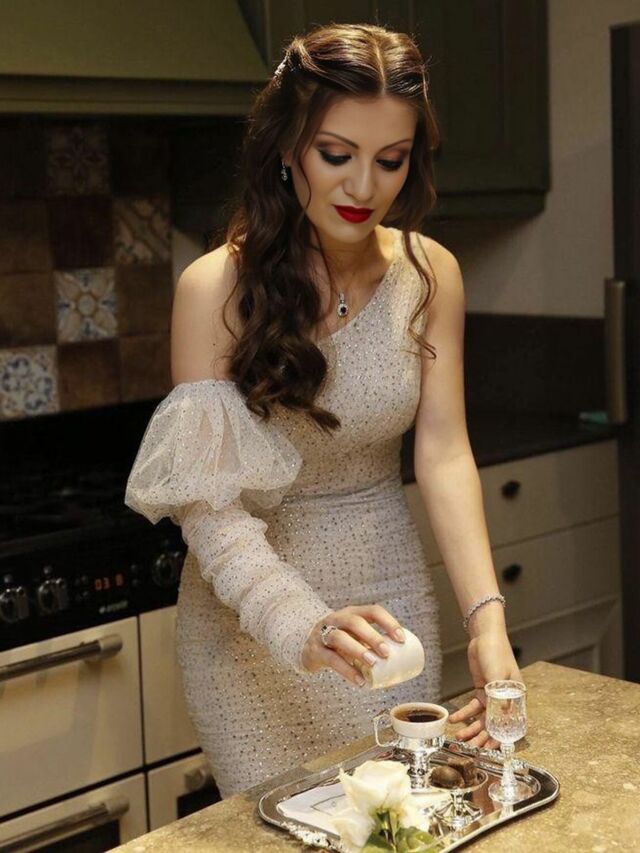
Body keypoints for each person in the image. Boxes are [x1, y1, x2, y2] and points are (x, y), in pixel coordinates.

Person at [125, 21, 523, 798]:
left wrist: (487, 621)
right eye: (336, 155)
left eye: (390, 160)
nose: (363, 187)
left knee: (395, 820)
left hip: (390, 607)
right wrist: (304, 625)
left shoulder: (430, 274)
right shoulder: (214, 290)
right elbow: (210, 510)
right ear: (288, 148)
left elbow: (443, 453)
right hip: (252, 631)